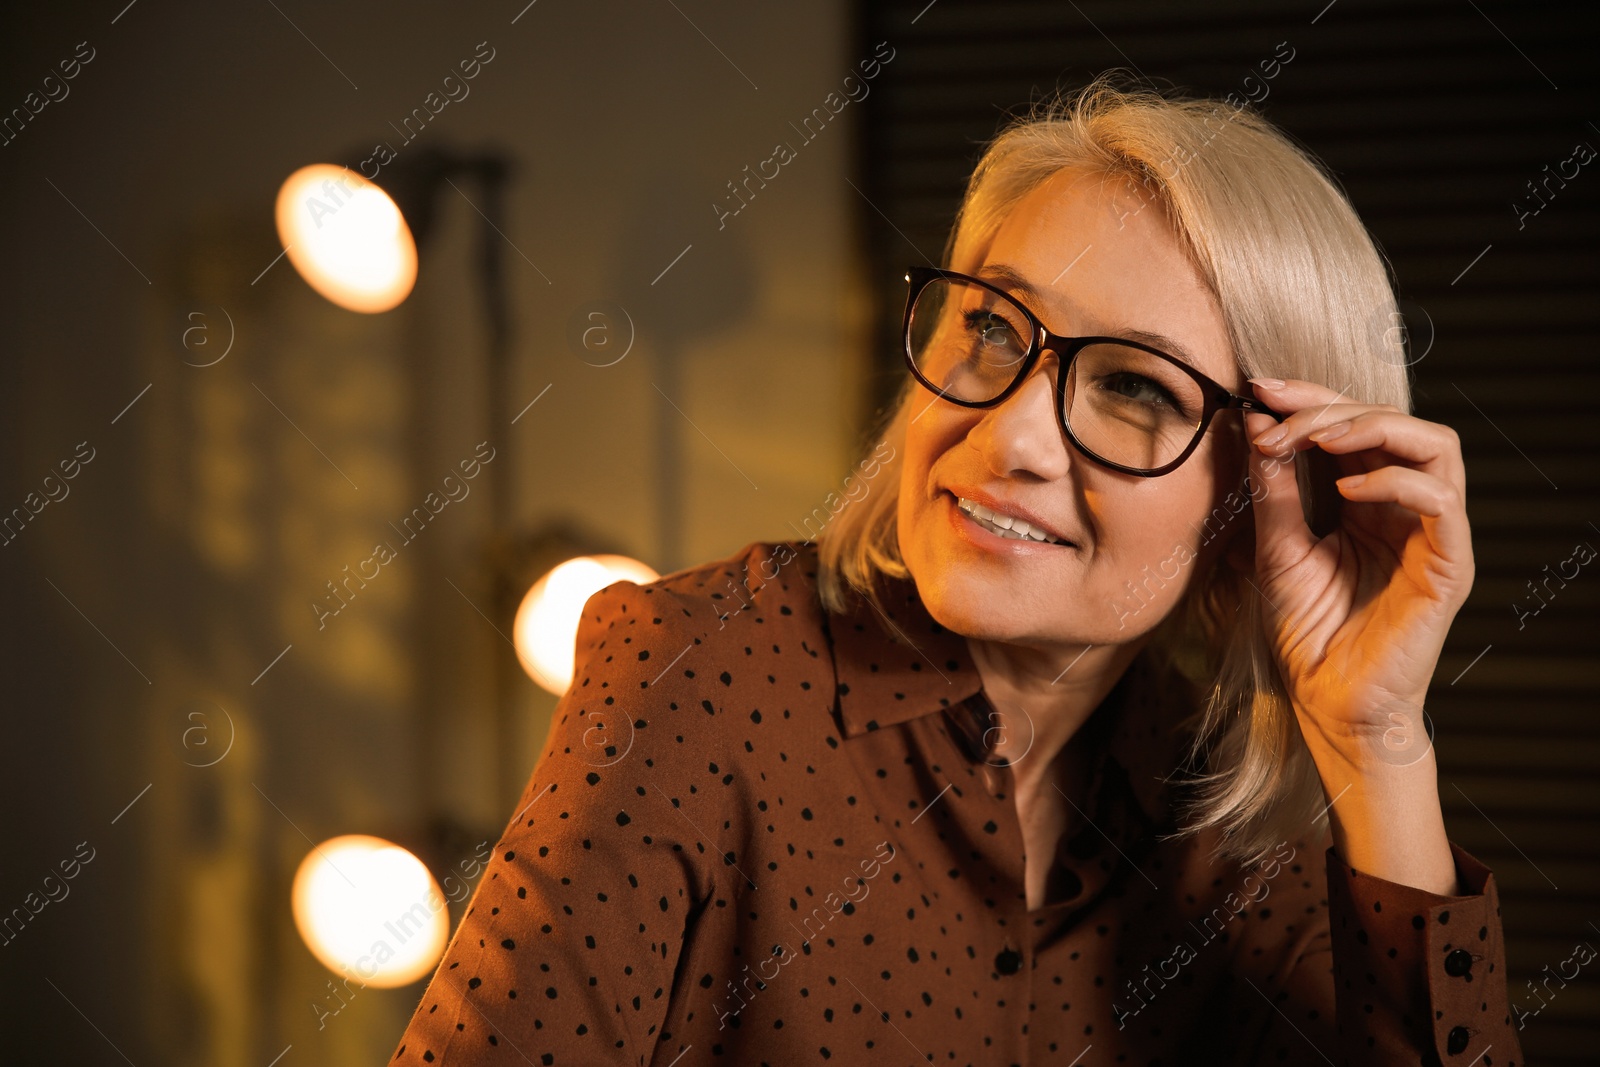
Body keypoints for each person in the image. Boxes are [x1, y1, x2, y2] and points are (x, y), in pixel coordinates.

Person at [390, 75, 1523, 1065]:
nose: (1011, 439)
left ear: (1268, 491)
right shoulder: (700, 670)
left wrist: (1378, 746)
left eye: (1133, 388)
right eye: (990, 325)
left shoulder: (1237, 832)